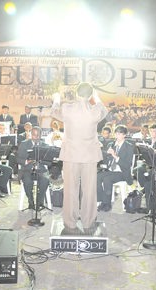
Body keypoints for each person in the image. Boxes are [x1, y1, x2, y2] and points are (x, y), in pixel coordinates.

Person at [51, 82, 108, 231]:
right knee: (89, 190)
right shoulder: (96, 111)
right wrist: (97, 98)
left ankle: (70, 222)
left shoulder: (67, 109)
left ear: (76, 94)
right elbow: (104, 110)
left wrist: (57, 98)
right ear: (90, 95)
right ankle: (88, 222)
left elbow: (53, 111)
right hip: (90, 156)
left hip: (71, 155)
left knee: (70, 190)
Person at [96, 125, 134, 212]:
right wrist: (101, 151)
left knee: (107, 179)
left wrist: (115, 156)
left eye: (119, 134)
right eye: (115, 133)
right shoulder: (111, 144)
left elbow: (127, 165)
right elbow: (107, 161)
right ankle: (101, 200)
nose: (116, 136)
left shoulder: (129, 147)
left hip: (122, 172)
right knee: (97, 177)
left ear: (124, 135)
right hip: (111, 170)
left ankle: (107, 205)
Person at [16, 127, 51, 210]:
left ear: (41, 135)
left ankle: (40, 202)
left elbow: (49, 162)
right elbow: (18, 159)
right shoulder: (24, 144)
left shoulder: (45, 146)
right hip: (27, 169)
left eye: (38, 135)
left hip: (41, 169)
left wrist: (41, 160)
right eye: (34, 135)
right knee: (27, 181)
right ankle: (31, 202)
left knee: (45, 180)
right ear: (31, 135)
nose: (36, 137)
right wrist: (27, 161)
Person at [133, 124, 156, 189]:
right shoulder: (147, 140)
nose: (152, 133)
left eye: (154, 131)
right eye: (151, 131)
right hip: (148, 163)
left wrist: (153, 151)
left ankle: (149, 189)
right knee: (136, 170)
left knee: (151, 173)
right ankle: (146, 188)